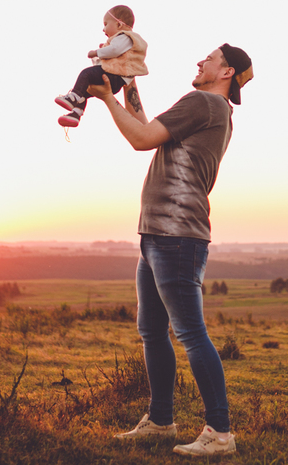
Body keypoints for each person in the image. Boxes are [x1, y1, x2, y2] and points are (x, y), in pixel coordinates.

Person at [89, 44, 253, 457]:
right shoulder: (215, 110)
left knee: (191, 333)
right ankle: (161, 420)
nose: (200, 62)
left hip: (176, 235)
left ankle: (220, 433)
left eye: (209, 59)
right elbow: (148, 127)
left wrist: (106, 97)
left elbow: (141, 139)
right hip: (158, 233)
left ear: (226, 72)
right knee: (151, 330)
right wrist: (129, 85)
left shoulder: (203, 103)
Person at [55, 5, 148, 127]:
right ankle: (76, 114)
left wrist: (96, 52)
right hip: (116, 78)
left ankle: (73, 97)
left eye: (106, 24)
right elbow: (113, 55)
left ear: (119, 24)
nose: (103, 29)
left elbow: (114, 50)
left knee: (86, 74)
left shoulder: (124, 36)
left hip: (114, 77)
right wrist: (103, 52)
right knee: (85, 90)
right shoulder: (124, 41)